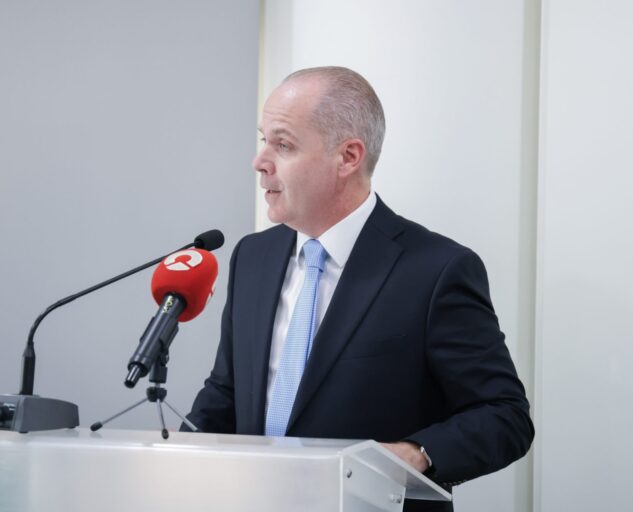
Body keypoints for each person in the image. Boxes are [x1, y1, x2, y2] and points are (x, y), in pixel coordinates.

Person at [183, 66, 534, 511]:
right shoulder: (252, 257)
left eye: (283, 145)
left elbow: (505, 416)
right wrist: (174, 456)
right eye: (263, 140)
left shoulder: (436, 270)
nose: (260, 161)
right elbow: (227, 393)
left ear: (348, 157)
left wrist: (415, 454)